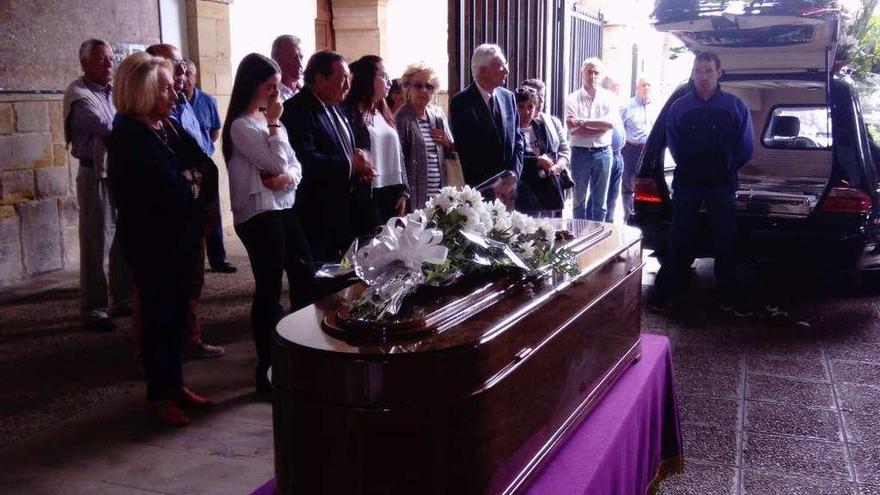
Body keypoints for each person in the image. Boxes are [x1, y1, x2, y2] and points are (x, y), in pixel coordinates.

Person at [107, 52, 217, 426]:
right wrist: (189, 183)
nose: (175, 95)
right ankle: (158, 397)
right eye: (166, 89)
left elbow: (205, 166)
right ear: (143, 92)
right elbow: (170, 190)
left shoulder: (164, 126)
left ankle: (175, 385)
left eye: (173, 87)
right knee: (158, 320)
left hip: (180, 237)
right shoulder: (128, 135)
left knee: (175, 318)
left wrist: (191, 182)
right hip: (152, 244)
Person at [223, 53, 317, 395]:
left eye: (278, 87)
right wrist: (275, 127)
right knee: (269, 287)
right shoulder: (242, 125)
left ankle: (302, 353)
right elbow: (275, 159)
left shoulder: (270, 121)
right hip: (259, 213)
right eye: (270, 87)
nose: (277, 95)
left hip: (283, 206)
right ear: (254, 86)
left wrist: (286, 178)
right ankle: (267, 369)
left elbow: (294, 166)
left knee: (305, 276)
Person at [651, 51, 755, 314]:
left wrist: (725, 167)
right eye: (698, 71)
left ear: (719, 73)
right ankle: (666, 293)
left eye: (708, 71)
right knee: (678, 238)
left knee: (725, 239)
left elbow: (746, 148)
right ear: (693, 73)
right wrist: (693, 165)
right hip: (687, 182)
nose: (703, 76)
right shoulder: (679, 107)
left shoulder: (734, 106)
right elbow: (673, 143)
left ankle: (729, 295)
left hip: (722, 184)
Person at [144, 43, 224, 359]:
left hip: (192, 210)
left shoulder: (184, 102)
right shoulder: (146, 121)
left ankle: (189, 336)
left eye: (182, 63)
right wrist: (193, 183)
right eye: (174, 64)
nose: (181, 70)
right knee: (159, 293)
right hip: (170, 216)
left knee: (192, 280)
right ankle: (155, 356)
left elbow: (201, 147)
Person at [63, 38, 132, 332]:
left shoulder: (114, 91)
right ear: (84, 63)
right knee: (96, 240)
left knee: (122, 238)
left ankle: (122, 297)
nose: (109, 64)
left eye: (110, 59)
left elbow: (126, 120)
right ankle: (93, 307)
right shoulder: (79, 94)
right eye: (101, 59)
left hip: (119, 170)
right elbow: (109, 126)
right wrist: (129, 120)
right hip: (95, 174)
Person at [281, 51, 375, 264]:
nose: (347, 86)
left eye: (348, 79)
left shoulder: (336, 106)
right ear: (319, 79)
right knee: (321, 278)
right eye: (342, 79)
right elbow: (306, 160)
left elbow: (347, 148)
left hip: (345, 208)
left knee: (344, 273)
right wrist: (351, 165)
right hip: (317, 212)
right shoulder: (297, 110)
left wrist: (360, 168)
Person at [182, 59, 237, 274]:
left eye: (189, 75)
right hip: (185, 167)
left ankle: (218, 258)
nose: (185, 79)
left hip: (205, 162)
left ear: (195, 77)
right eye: (181, 74)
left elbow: (215, 131)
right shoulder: (175, 102)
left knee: (213, 210)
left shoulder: (207, 101)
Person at [450, 43, 523, 203]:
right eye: (501, 66)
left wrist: (513, 174)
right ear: (482, 70)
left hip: (509, 191)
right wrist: (495, 184)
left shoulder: (508, 97)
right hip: (481, 193)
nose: (507, 70)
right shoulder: (461, 102)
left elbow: (518, 140)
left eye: (506, 65)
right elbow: (467, 151)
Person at [342, 55, 408, 229]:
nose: (388, 81)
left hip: (392, 190)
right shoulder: (349, 112)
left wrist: (404, 190)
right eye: (384, 76)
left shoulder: (383, 111)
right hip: (368, 192)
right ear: (368, 77)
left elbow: (398, 152)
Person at [396, 62, 455, 209]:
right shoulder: (401, 118)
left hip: (439, 193)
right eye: (418, 85)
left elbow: (452, 148)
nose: (423, 90)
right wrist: (403, 193)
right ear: (408, 87)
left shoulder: (438, 114)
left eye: (428, 86)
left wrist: (447, 143)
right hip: (415, 197)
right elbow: (397, 160)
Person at [565, 58, 618, 221]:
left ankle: (598, 237)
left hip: (603, 153)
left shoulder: (609, 97)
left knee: (600, 202)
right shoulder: (572, 99)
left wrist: (582, 122)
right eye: (590, 72)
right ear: (582, 74)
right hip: (580, 153)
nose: (593, 76)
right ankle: (579, 236)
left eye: (596, 72)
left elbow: (609, 124)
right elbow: (573, 130)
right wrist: (598, 127)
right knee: (578, 200)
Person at [513, 88, 567, 217]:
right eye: (521, 107)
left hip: (543, 187)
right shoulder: (511, 130)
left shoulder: (540, 126)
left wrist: (547, 159)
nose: (526, 112)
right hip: (523, 190)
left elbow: (552, 151)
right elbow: (513, 159)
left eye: (530, 107)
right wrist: (536, 161)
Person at [621, 77, 657, 221]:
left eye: (649, 84)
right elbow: (619, 128)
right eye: (643, 85)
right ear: (637, 88)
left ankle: (643, 215)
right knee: (628, 185)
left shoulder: (656, 106)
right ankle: (629, 216)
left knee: (646, 185)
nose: (646, 88)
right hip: (631, 149)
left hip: (649, 151)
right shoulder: (627, 106)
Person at [601, 76, 626, 222]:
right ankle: (600, 227)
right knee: (602, 197)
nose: (619, 90)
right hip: (606, 154)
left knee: (613, 197)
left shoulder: (615, 105)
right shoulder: (603, 104)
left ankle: (609, 223)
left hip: (618, 155)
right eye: (617, 86)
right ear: (609, 88)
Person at [271, 35, 304, 101]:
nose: (300, 64)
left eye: (301, 57)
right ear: (276, 60)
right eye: (293, 58)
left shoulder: (307, 93)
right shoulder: (270, 95)